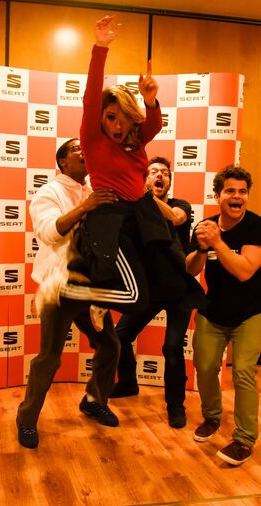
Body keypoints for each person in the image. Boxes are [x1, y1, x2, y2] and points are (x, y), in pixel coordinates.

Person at [54, 16, 189, 322]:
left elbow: (153, 124)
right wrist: (100, 47)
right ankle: (74, 290)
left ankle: (99, 298)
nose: (116, 124)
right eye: (110, 117)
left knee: (163, 281)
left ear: (131, 117)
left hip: (138, 216)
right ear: (101, 118)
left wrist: (150, 99)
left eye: (122, 117)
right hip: (110, 220)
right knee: (136, 299)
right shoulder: (92, 139)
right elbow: (91, 98)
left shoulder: (136, 141)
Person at [16, 138, 122, 449]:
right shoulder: (49, 192)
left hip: (91, 287)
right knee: (49, 358)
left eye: (84, 147)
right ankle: (26, 419)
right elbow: (50, 233)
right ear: (62, 162)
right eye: (77, 149)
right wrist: (85, 207)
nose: (84, 152)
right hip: (59, 288)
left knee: (110, 345)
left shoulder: (93, 190)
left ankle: (93, 399)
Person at [186, 166, 261, 466]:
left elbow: (245, 271)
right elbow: (191, 269)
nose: (237, 197)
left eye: (242, 191)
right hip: (213, 311)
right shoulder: (206, 225)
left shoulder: (258, 228)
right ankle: (212, 417)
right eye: (230, 191)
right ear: (218, 196)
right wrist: (200, 248)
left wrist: (218, 243)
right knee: (205, 366)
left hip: (250, 312)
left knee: (243, 372)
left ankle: (245, 438)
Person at [110, 157, 196, 429]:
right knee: (120, 336)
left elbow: (175, 218)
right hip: (149, 289)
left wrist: (144, 195)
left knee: (172, 347)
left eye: (164, 173)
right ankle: (127, 383)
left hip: (179, 289)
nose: (159, 176)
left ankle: (175, 405)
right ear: (144, 178)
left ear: (169, 181)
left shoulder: (178, 205)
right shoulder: (134, 210)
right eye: (153, 172)